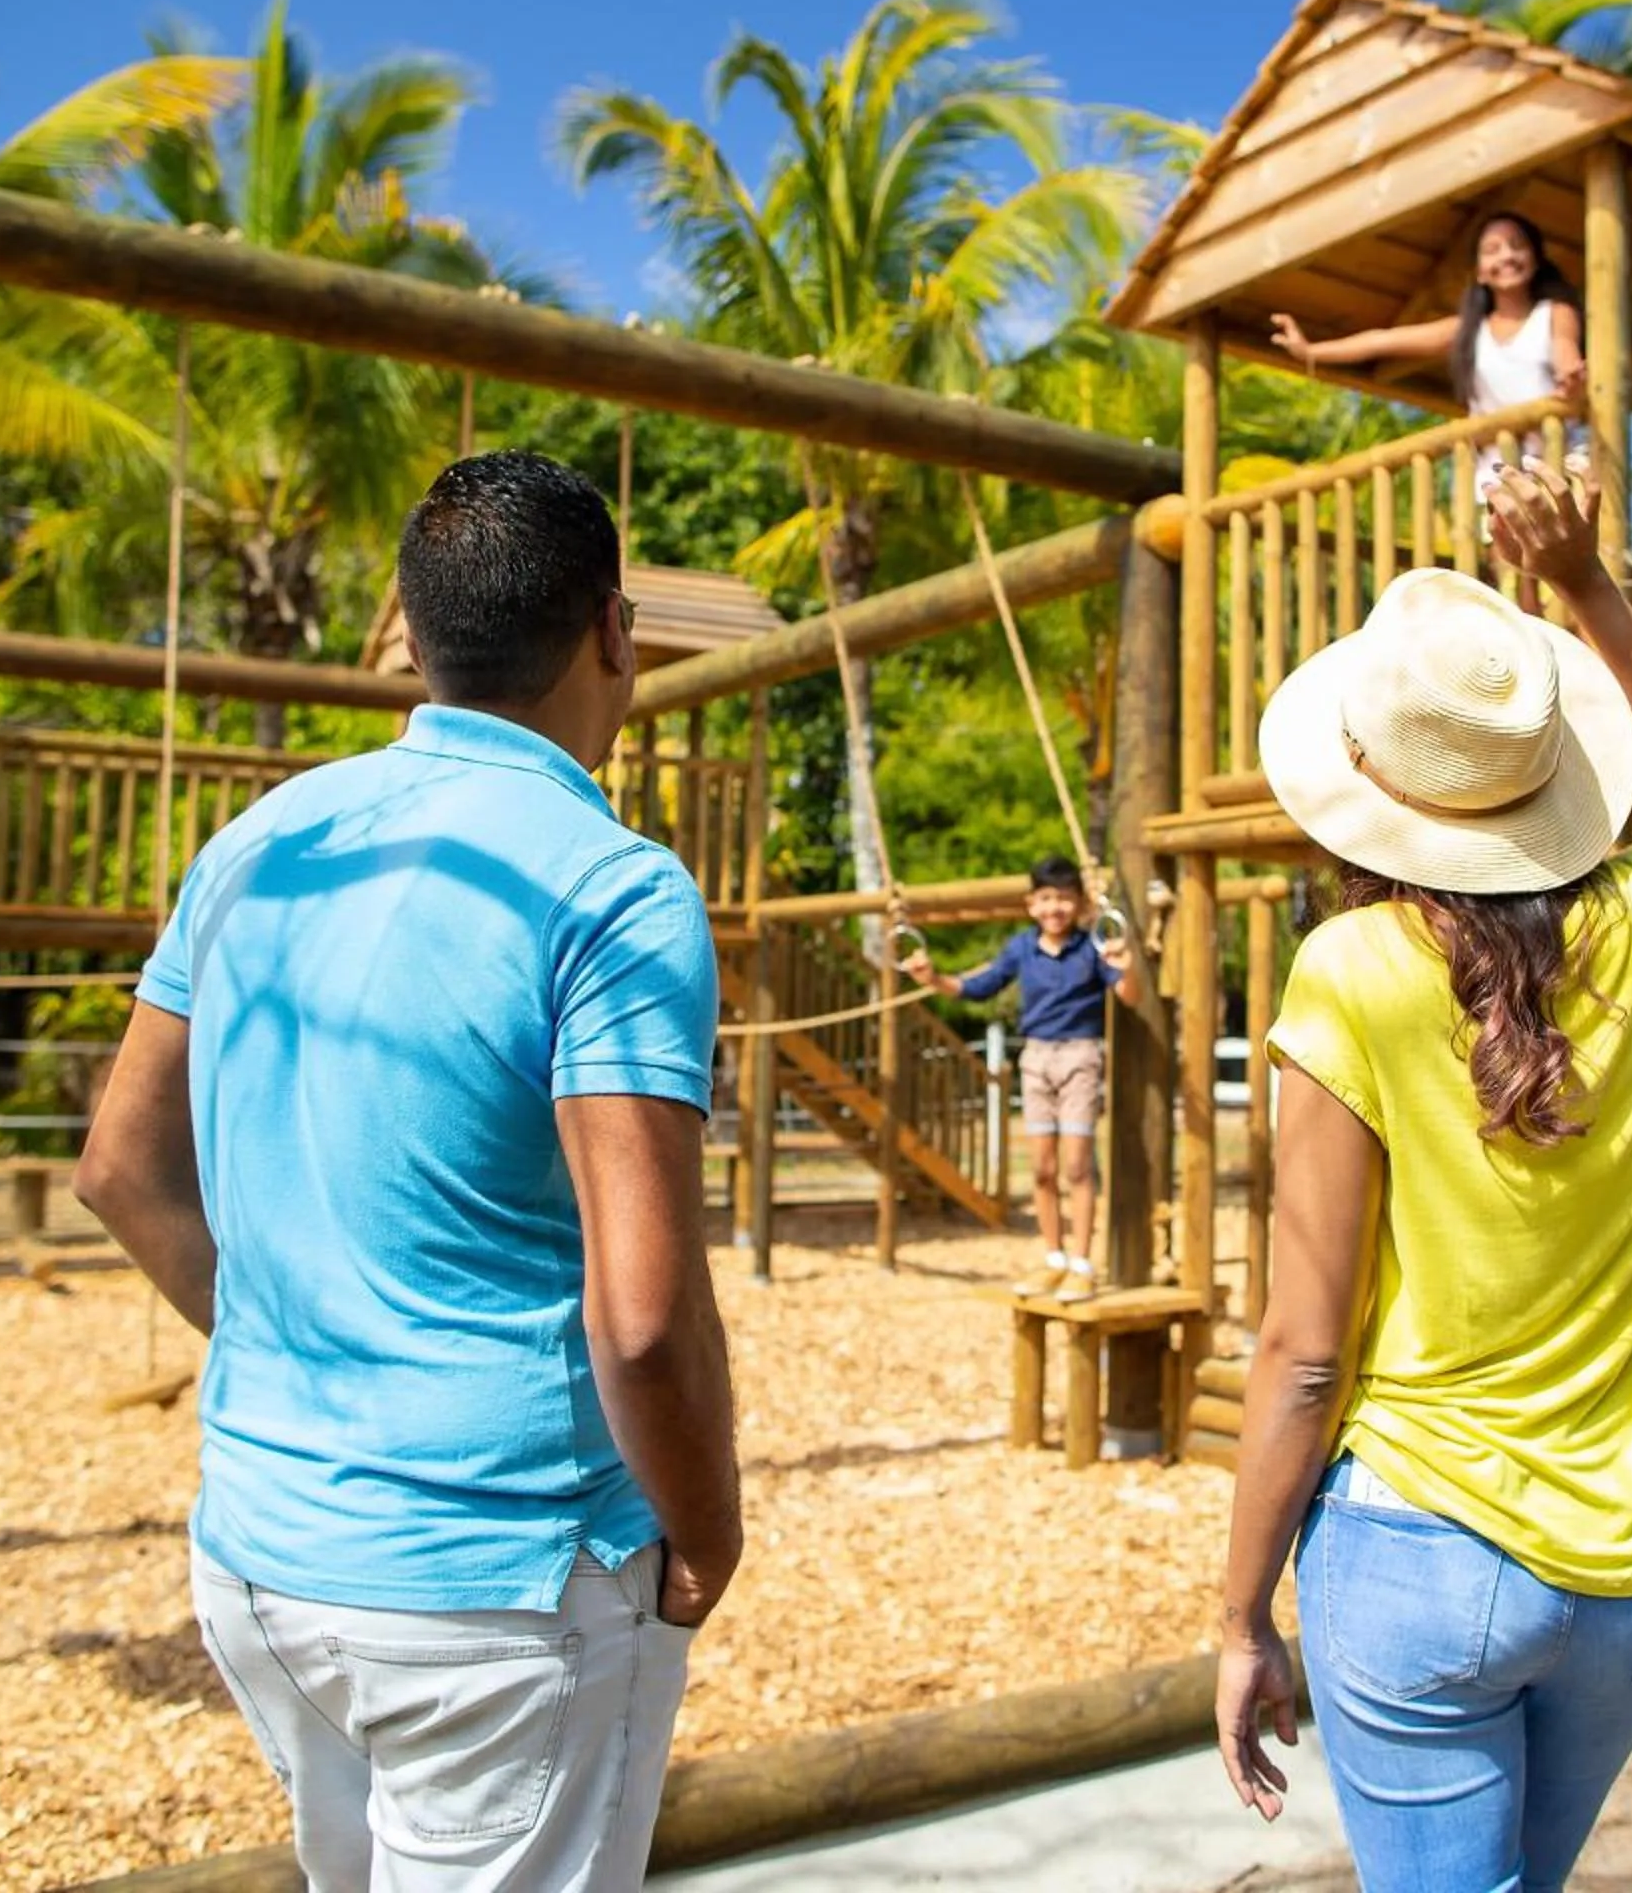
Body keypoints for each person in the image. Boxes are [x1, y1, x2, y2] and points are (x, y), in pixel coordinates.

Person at [76, 450, 742, 1893]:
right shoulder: (613, 885)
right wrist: (709, 1520)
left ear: (410, 628)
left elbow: (121, 1172)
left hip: (257, 1552)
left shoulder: (255, 847)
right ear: (615, 633)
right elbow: (641, 1311)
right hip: (500, 1591)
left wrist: (282, 1338)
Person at [1212, 464, 1632, 1893]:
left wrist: (1235, 1615)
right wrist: (1585, 581)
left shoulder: (1354, 972)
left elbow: (1305, 1354)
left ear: (1365, 783)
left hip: (1425, 1553)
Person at [904, 855, 1141, 1301]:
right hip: (1036, 1058)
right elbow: (979, 987)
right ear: (1032, 904)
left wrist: (1126, 964)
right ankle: (1053, 1257)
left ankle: (1083, 1262)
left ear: (1079, 903)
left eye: (1064, 900)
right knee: (1043, 1168)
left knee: (1077, 1165)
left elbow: (1129, 996)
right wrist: (932, 977)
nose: (1055, 909)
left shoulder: (1093, 944)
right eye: (1047, 899)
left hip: (1080, 1056)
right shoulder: (1021, 948)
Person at [1269, 212, 1589, 491]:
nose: (1507, 256)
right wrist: (1309, 351)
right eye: (1492, 250)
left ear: (1535, 257)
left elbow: (1566, 352)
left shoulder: (1555, 312)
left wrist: (1571, 379)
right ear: (1479, 271)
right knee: (1503, 558)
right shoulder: (1468, 330)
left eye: (1517, 245)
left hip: (1558, 465)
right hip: (1499, 473)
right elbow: (1383, 340)